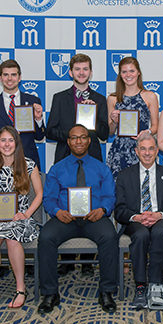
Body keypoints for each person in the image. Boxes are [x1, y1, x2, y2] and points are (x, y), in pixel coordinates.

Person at [38, 125, 118, 314]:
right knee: (46, 238)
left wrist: (103, 210)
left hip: (94, 218)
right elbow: (49, 198)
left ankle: (106, 291)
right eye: (74, 138)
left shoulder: (101, 168)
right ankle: (50, 293)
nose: (79, 141)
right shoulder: (57, 169)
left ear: (89, 140)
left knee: (110, 237)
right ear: (68, 142)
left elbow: (110, 197)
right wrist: (57, 212)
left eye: (83, 137)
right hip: (65, 218)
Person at [45, 53, 108, 277]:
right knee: (66, 206)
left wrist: (94, 114)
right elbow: (50, 131)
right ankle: (67, 260)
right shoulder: (59, 97)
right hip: (65, 158)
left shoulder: (100, 99)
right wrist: (74, 134)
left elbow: (104, 133)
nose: (81, 73)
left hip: (92, 159)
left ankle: (89, 261)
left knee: (91, 204)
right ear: (70, 72)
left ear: (91, 72)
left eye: (85, 69)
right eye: (77, 69)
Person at [115, 133, 163, 310]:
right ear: (136, 151)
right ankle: (140, 286)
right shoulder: (124, 176)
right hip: (136, 220)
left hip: (161, 219)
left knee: (160, 232)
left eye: (151, 148)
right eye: (143, 149)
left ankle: (156, 286)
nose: (147, 153)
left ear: (157, 151)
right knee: (141, 234)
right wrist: (136, 217)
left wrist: (159, 215)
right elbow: (120, 210)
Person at [0, 126, 43, 309]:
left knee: (12, 240)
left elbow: (39, 194)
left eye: (10, 140)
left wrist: (26, 214)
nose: (7, 144)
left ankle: (20, 289)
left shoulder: (29, 164)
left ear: (16, 143)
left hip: (21, 217)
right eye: (3, 140)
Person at [0, 59, 45, 169]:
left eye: (13, 75)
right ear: (0, 78)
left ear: (19, 78)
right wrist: (4, 135)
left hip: (27, 163)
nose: (10, 79)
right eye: (6, 75)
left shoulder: (33, 101)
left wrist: (38, 119)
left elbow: (39, 136)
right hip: (0, 165)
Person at [106, 56, 159, 179]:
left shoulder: (150, 96)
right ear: (120, 74)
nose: (128, 75)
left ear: (138, 73)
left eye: (132, 71)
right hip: (119, 152)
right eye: (124, 71)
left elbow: (156, 126)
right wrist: (114, 121)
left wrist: (148, 132)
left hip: (143, 150)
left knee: (142, 190)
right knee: (119, 192)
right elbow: (110, 131)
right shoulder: (113, 99)